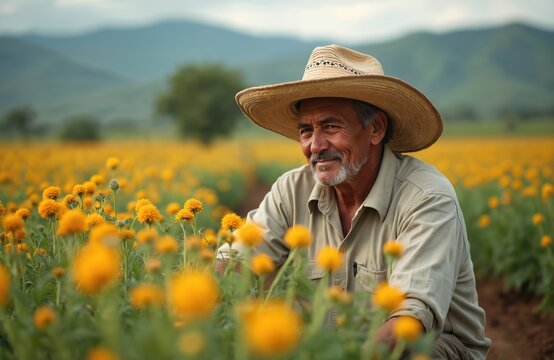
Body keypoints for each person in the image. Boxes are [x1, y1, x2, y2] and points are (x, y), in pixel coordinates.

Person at [221, 44, 491, 359]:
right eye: (306, 131)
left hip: (429, 347)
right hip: (330, 349)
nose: (316, 146)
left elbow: (409, 323)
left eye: (331, 126)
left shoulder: (426, 197)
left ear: (375, 128)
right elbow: (231, 267)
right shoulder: (290, 189)